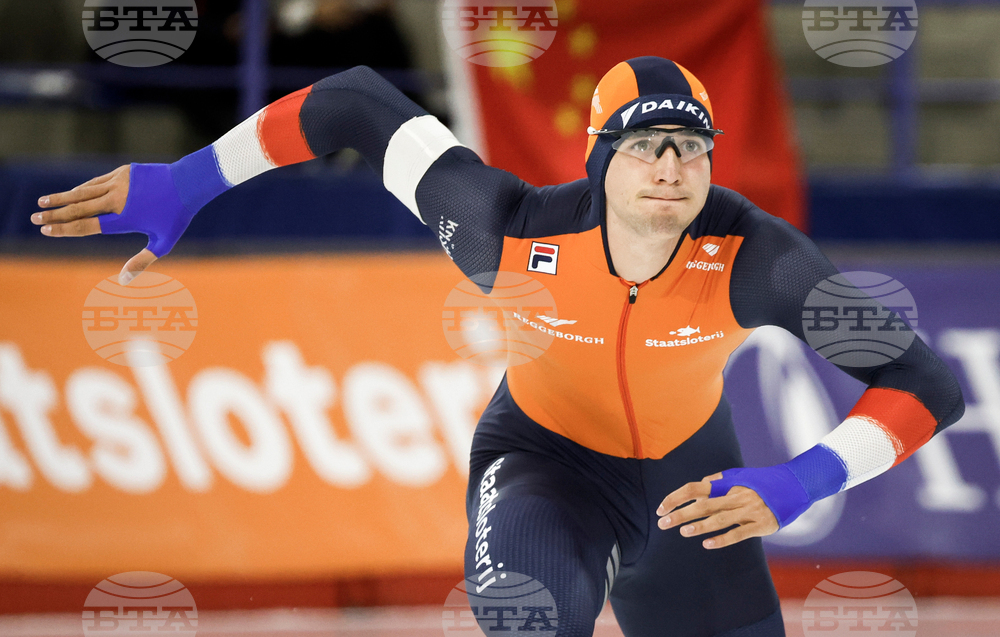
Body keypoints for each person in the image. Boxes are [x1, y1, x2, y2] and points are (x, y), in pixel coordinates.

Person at [31, 57, 964, 636]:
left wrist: (800, 480)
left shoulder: (757, 255)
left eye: (692, 146)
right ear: (600, 162)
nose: (673, 168)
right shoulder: (505, 230)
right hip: (544, 461)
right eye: (648, 148)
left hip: (695, 486)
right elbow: (353, 104)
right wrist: (191, 180)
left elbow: (922, 383)